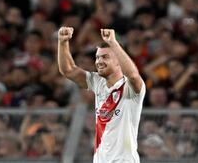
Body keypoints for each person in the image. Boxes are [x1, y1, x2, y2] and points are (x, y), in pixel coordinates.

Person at [58, 27, 146, 163]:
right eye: (97, 57)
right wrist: (63, 43)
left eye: (105, 57)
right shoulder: (97, 82)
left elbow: (134, 75)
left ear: (119, 61)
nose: (98, 61)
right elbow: (68, 70)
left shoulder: (130, 88)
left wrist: (113, 43)